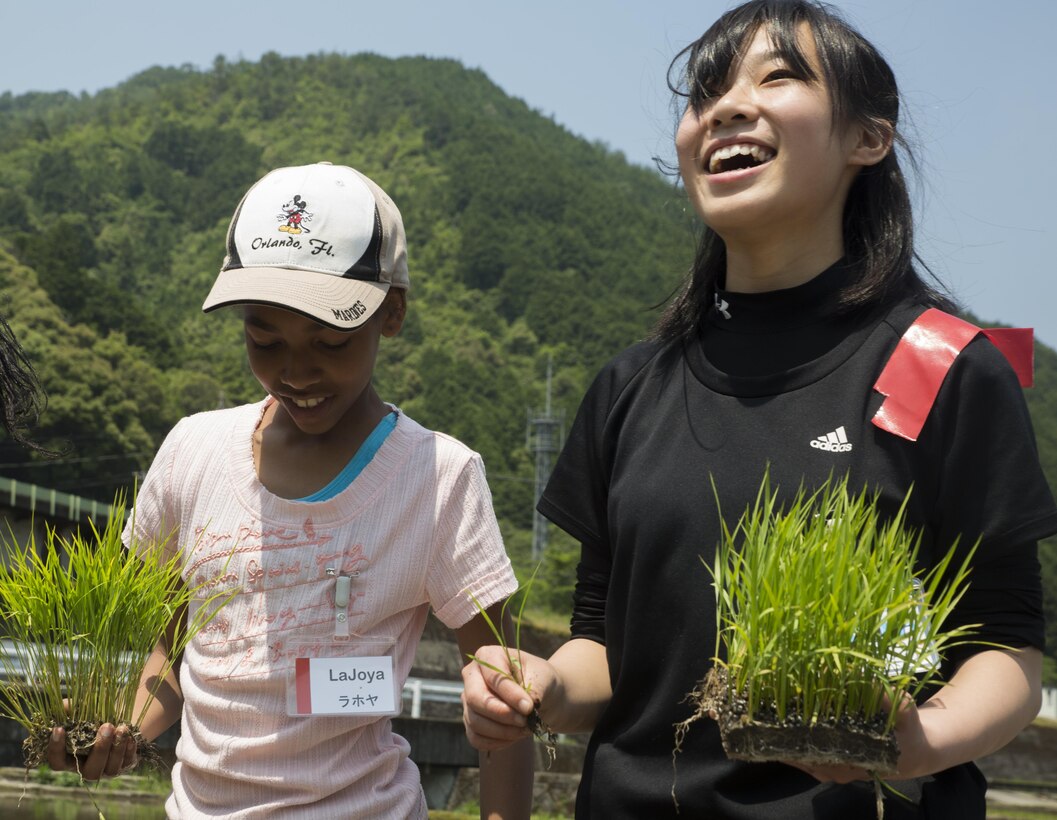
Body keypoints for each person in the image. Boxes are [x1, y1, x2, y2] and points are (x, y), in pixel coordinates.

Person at [461, 2, 1056, 818]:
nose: (725, 107)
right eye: (704, 92)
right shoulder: (631, 386)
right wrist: (543, 684)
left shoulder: (938, 364)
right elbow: (603, 646)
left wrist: (918, 737)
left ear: (867, 139)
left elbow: (1008, 648)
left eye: (777, 77)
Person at [45, 161, 534, 818]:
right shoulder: (194, 451)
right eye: (263, 338)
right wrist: (122, 734)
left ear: (391, 312)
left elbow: (500, 692)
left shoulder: (437, 478)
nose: (296, 371)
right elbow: (168, 649)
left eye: (330, 340)